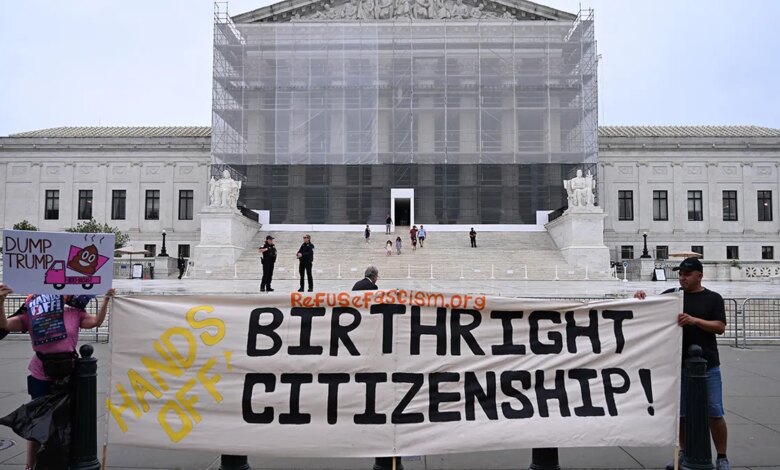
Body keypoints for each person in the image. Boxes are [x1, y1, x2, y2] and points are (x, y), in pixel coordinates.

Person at [0, 284, 115, 470]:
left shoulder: (74, 313)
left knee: (67, 420)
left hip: (68, 374)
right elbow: (5, 325)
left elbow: (95, 322)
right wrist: (1, 300)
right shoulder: (33, 313)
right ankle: (30, 465)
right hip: (41, 373)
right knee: (38, 422)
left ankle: (65, 461)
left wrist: (106, 300)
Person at [634, 257, 729, 470]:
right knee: (683, 414)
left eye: (687, 274)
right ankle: (685, 453)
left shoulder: (713, 298)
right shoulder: (673, 296)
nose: (682, 277)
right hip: (678, 365)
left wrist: (694, 320)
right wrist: (640, 298)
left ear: (699, 275)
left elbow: (720, 327)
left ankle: (722, 456)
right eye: (680, 274)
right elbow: (651, 308)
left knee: (714, 412)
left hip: (709, 365)